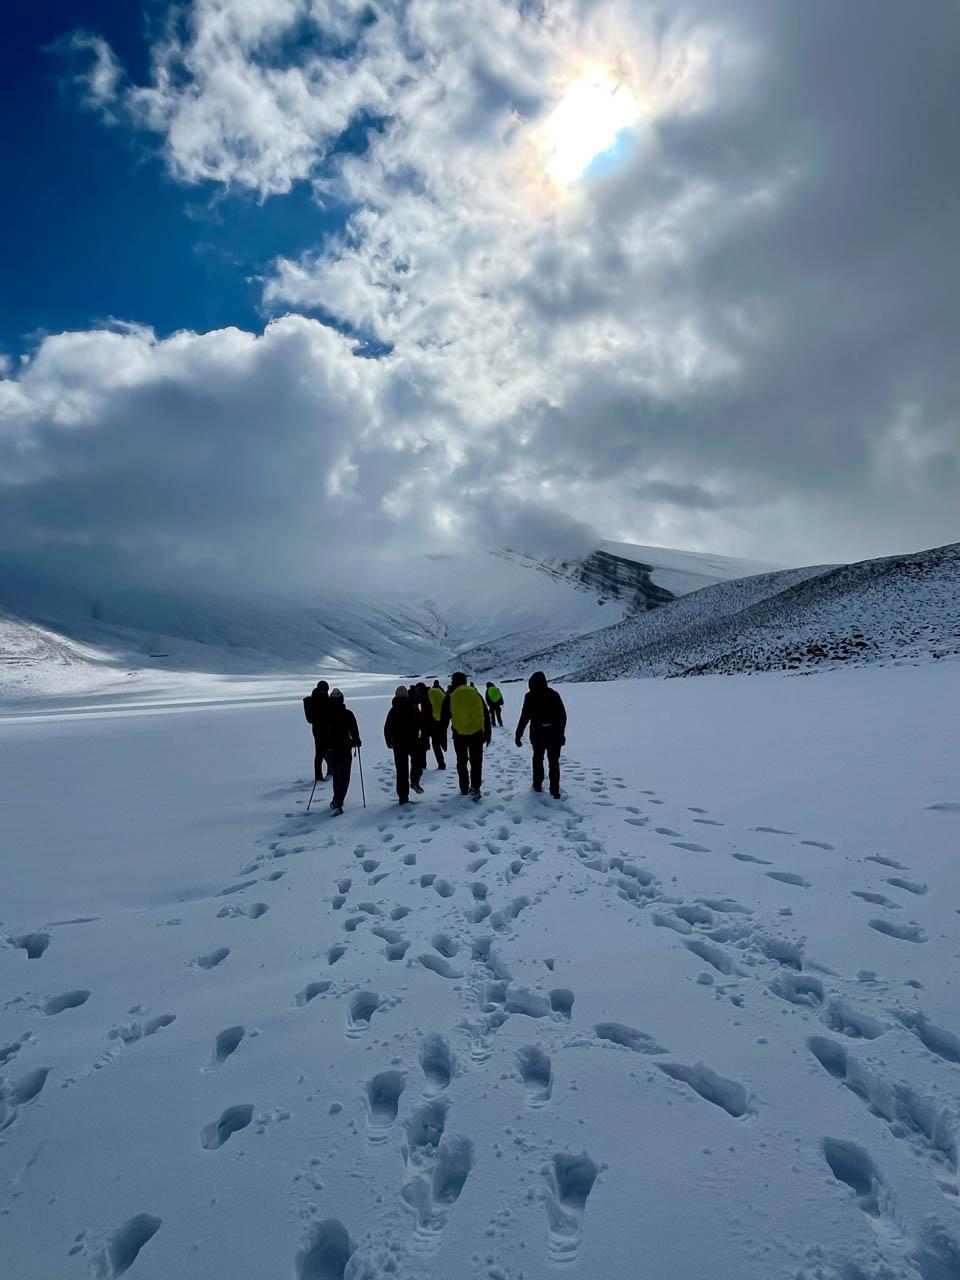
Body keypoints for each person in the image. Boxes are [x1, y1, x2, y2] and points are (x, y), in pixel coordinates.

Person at [515, 671, 566, 799]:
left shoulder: (531, 696)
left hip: (542, 735)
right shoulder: (553, 695)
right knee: (551, 762)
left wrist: (518, 734)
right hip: (550, 735)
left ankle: (540, 786)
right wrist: (560, 734)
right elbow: (562, 717)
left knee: (540, 759)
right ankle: (552, 790)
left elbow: (524, 717)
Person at [441, 672, 491, 799]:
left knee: (461, 761)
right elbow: (485, 713)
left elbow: (444, 719)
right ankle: (475, 787)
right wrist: (488, 733)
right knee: (476, 761)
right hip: (477, 733)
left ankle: (464, 787)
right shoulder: (476, 693)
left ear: (453, 682)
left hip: (459, 734)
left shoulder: (450, 696)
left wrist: (442, 737)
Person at [384, 686, 425, 805]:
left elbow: (387, 728)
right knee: (417, 764)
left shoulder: (393, 710)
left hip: (398, 745)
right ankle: (414, 781)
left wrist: (389, 742)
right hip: (413, 742)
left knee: (401, 771)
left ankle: (403, 797)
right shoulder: (413, 708)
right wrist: (423, 738)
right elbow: (422, 724)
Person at [326, 688, 362, 815]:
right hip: (344, 748)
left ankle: (337, 799)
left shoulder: (326, 714)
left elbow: (321, 733)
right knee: (344, 776)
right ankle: (338, 801)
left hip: (330, 750)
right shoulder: (347, 714)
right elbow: (354, 731)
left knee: (337, 776)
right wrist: (357, 741)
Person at [302, 679, 331, 781]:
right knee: (320, 753)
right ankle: (319, 776)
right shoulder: (317, 699)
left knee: (325, 751)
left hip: (323, 729)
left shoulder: (323, 697)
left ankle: (329, 771)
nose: (326, 691)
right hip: (319, 730)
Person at [426, 679, 447, 769]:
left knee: (435, 743)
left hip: (433, 720)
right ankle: (441, 763)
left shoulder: (429, 693)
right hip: (442, 719)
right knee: (438, 742)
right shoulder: (440, 690)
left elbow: (428, 709)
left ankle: (441, 763)